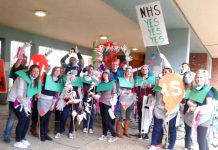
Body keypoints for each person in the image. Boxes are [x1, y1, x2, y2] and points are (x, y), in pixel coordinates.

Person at [7, 64, 41, 149]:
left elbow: (34, 91)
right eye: (33, 71)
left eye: (37, 71)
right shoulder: (22, 78)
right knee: (23, 118)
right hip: (15, 100)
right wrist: (25, 105)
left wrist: (37, 93)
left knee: (27, 118)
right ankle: (18, 141)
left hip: (26, 101)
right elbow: (19, 95)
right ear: (30, 71)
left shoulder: (35, 80)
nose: (35, 73)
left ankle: (22, 138)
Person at [149, 67, 179, 150]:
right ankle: (153, 144)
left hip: (171, 110)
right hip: (159, 108)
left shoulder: (175, 85)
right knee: (156, 127)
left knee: (171, 128)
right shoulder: (158, 84)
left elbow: (178, 98)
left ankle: (171, 146)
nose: (164, 73)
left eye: (166, 72)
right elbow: (154, 95)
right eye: (163, 72)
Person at [186, 69, 215, 150]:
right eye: (197, 77)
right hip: (195, 116)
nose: (199, 79)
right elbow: (189, 100)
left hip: (205, 117)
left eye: (201, 77)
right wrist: (191, 103)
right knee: (203, 138)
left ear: (205, 78)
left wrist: (195, 107)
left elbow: (208, 106)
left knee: (200, 139)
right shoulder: (195, 88)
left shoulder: (208, 90)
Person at [3, 54, 27, 143]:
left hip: (24, 99)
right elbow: (17, 63)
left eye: (25, 59)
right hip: (15, 99)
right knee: (12, 117)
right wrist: (23, 49)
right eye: (22, 59)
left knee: (23, 118)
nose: (23, 60)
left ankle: (20, 135)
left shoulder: (28, 69)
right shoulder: (18, 68)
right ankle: (6, 135)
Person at [91, 69, 118, 142]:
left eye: (107, 74)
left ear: (109, 75)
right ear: (102, 75)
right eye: (104, 74)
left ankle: (114, 135)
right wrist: (94, 95)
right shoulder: (101, 84)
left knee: (107, 120)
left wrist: (113, 104)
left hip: (108, 104)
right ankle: (104, 134)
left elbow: (114, 94)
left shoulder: (113, 83)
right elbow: (99, 94)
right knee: (103, 120)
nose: (105, 75)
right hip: (102, 103)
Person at [38, 67, 61, 141]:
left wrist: (53, 104)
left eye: (59, 71)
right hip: (42, 100)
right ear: (53, 71)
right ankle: (41, 134)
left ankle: (45, 134)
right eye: (56, 70)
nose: (57, 72)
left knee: (47, 118)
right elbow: (40, 86)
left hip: (50, 102)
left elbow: (55, 94)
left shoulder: (58, 81)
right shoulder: (46, 78)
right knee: (42, 117)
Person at [134, 64, 156, 139]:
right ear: (141, 70)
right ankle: (140, 132)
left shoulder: (152, 79)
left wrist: (151, 86)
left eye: (146, 69)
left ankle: (146, 133)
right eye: (143, 69)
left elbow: (154, 90)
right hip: (140, 100)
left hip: (148, 100)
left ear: (148, 70)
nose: (144, 70)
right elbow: (136, 91)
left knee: (148, 116)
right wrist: (136, 87)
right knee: (140, 116)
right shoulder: (138, 78)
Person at [116, 66, 136, 138]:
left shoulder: (132, 81)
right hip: (123, 100)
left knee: (128, 117)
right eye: (128, 71)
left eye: (130, 72)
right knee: (122, 116)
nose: (129, 73)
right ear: (125, 72)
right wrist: (125, 92)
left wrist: (134, 94)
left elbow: (134, 90)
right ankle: (118, 132)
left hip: (131, 100)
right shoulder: (121, 80)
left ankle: (125, 131)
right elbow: (118, 90)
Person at [82, 65, 98, 134]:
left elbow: (97, 89)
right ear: (87, 70)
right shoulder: (84, 78)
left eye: (91, 69)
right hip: (85, 97)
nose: (90, 70)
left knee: (92, 114)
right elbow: (81, 87)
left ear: (93, 70)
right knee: (85, 112)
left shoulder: (95, 79)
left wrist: (94, 94)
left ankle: (90, 127)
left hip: (92, 98)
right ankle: (85, 126)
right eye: (89, 69)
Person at [182, 71, 195, 150]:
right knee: (188, 129)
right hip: (186, 110)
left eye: (189, 77)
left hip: (194, 110)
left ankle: (192, 143)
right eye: (186, 77)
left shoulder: (195, 89)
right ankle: (187, 146)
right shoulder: (183, 87)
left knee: (193, 129)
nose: (187, 78)